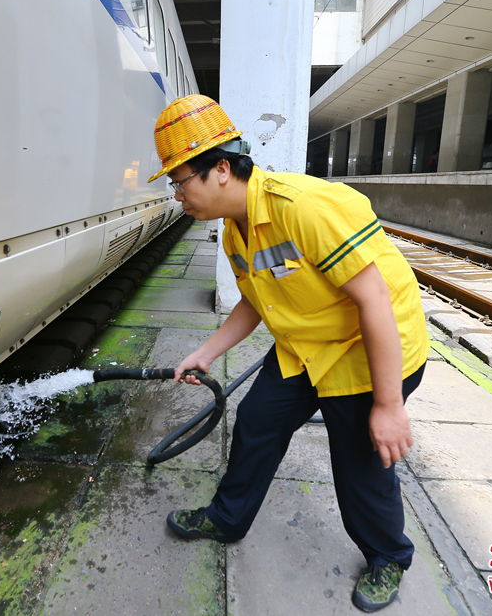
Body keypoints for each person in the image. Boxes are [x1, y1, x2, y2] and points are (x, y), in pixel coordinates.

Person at [147, 95, 429, 613]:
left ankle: (389, 555)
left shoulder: (302, 208)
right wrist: (205, 353)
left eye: (181, 180)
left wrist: (389, 407)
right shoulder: (235, 232)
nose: (178, 194)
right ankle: (227, 519)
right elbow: (255, 302)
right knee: (257, 421)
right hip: (306, 347)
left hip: (368, 349)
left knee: (359, 459)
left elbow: (375, 302)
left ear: (221, 170)